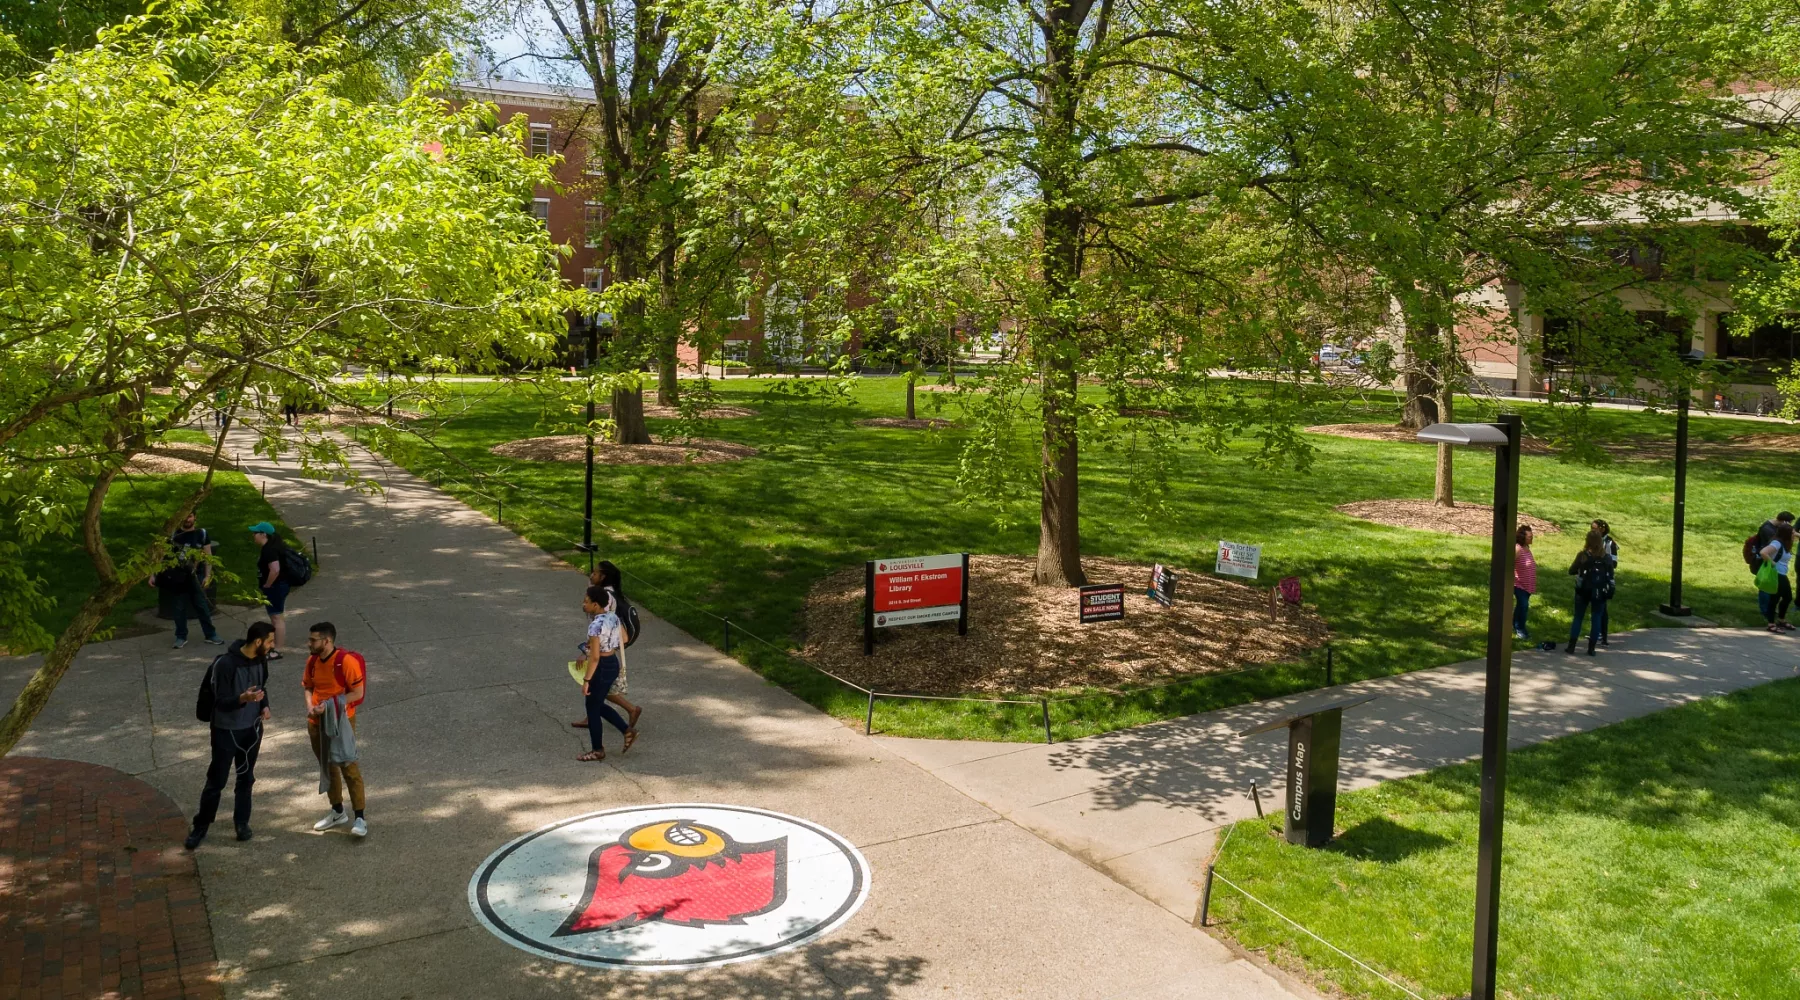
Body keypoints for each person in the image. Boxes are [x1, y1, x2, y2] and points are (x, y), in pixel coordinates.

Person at [186, 622, 274, 850]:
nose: (273, 646)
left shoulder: (261, 660)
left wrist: (264, 705)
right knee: (217, 780)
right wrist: (243, 699)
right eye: (270, 641)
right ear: (258, 642)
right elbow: (220, 702)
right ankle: (201, 826)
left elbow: (262, 687)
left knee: (246, 778)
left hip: (252, 730)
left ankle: (242, 822)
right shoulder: (225, 664)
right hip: (226, 731)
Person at [303, 622, 369, 837]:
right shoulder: (312, 661)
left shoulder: (345, 662)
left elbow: (357, 693)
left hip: (341, 721)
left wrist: (330, 705)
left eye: (313, 640)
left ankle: (360, 818)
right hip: (316, 722)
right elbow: (308, 686)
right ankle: (337, 811)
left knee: (348, 765)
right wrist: (311, 707)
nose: (309, 643)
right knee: (328, 766)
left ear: (327, 641)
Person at [571, 561, 641, 735]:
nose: (591, 575)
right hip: (608, 643)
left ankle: (629, 713)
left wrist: (585, 652)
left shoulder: (605, 597)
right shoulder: (605, 592)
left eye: (595, 573)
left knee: (598, 686)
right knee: (599, 687)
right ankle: (595, 714)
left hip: (605, 647)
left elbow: (604, 628)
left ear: (603, 577)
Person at [577, 585, 633, 761]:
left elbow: (594, 658)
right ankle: (627, 730)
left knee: (592, 707)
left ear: (595, 605)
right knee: (597, 704)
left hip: (600, 666)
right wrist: (608, 643)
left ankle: (597, 749)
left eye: (586, 602)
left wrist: (586, 680)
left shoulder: (594, 626)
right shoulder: (613, 617)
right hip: (612, 663)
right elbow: (624, 639)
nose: (583, 604)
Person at [156, 513, 224, 649]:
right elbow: (161, 556)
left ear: (195, 518)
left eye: (190, 516)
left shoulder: (201, 534)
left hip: (195, 577)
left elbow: (208, 557)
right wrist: (154, 575)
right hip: (178, 577)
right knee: (178, 607)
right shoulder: (174, 535)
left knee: (202, 606)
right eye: (185, 516)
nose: (187, 519)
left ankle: (210, 634)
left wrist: (207, 575)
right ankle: (181, 636)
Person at [1566, 528, 1616, 656]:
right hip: (1600, 591)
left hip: (1583, 590)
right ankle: (1591, 649)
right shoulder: (1607, 558)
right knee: (1597, 618)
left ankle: (1571, 647)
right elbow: (1611, 574)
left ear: (1587, 541)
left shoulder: (1583, 555)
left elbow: (1571, 570)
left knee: (1578, 617)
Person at [249, 522, 290, 658]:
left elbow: (275, 570)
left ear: (263, 534)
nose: (253, 535)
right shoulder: (272, 547)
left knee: (277, 617)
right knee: (275, 616)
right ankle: (274, 645)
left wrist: (267, 584)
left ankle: (277, 650)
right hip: (279, 586)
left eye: (255, 533)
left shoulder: (269, 550)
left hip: (275, 587)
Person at [1757, 521, 1795, 633]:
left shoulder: (1784, 543)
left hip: (1782, 574)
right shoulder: (1777, 543)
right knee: (1776, 598)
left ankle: (1781, 620)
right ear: (1786, 534)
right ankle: (1771, 623)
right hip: (1776, 574)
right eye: (1792, 533)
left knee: (1786, 597)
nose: (1794, 535)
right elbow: (1763, 552)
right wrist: (1772, 562)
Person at [1591, 519, 1619, 646]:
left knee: (1603, 608)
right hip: (1593, 578)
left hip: (1604, 579)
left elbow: (1614, 563)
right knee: (1597, 607)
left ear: (1602, 529)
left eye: (1594, 529)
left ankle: (1603, 635)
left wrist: (1601, 561)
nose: (1592, 531)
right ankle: (1597, 632)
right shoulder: (1594, 541)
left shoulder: (1610, 543)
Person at [1513, 525, 1537, 641]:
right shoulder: (1517, 549)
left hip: (1528, 584)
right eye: (1530, 536)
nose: (1532, 538)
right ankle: (1520, 629)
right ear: (1523, 537)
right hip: (1519, 584)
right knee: (1523, 606)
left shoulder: (1527, 547)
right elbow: (1508, 564)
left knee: (1521, 606)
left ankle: (1514, 625)